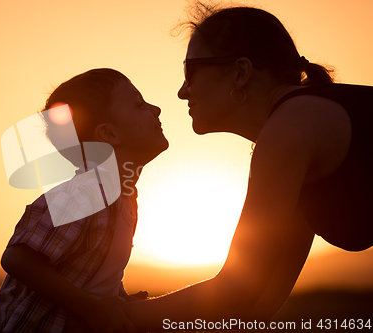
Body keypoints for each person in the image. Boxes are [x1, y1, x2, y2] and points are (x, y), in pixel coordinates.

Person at [121, 3, 373, 331]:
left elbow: (234, 291)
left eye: (189, 71)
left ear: (241, 72)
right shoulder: (294, 131)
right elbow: (258, 302)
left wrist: (109, 314)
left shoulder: (291, 128)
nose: (182, 91)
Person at [0, 68, 169, 333]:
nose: (156, 109)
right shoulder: (87, 192)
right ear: (109, 135)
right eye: (139, 103)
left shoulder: (122, 198)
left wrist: (117, 298)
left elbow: (89, 267)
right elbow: (18, 258)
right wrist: (94, 310)